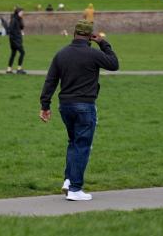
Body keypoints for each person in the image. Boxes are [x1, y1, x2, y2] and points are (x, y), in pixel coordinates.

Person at [39, 20, 119, 201]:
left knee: (73, 142)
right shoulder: (93, 54)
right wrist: (103, 43)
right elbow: (114, 64)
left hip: (65, 106)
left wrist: (45, 106)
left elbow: (50, 81)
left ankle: (68, 179)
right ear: (90, 36)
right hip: (85, 105)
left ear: (74, 33)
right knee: (82, 145)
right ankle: (75, 188)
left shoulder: (61, 54)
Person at [6, 6, 26, 74]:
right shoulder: (14, 19)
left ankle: (9, 69)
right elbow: (10, 30)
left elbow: (22, 27)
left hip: (16, 39)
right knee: (22, 52)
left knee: (13, 54)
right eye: (21, 12)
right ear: (18, 12)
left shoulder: (18, 19)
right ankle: (19, 69)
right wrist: (15, 38)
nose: (22, 13)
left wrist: (21, 19)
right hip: (15, 40)